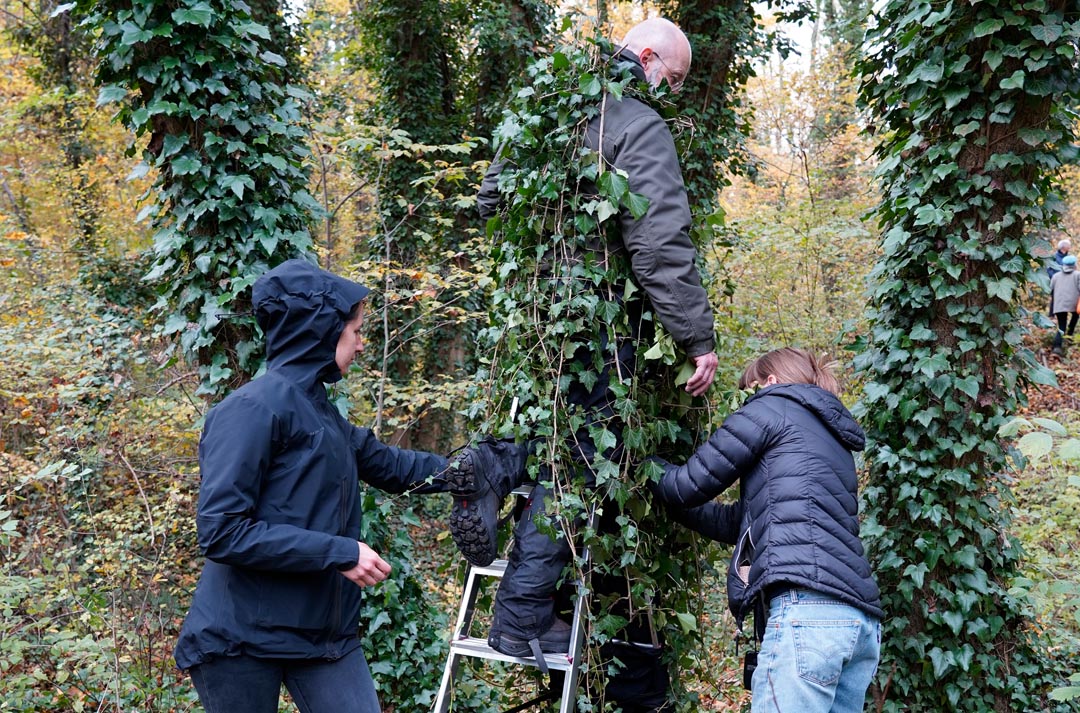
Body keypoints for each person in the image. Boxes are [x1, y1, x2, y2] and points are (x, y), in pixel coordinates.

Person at [448, 16, 719, 675]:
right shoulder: (637, 124)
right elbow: (657, 244)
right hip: (597, 326)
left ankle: (488, 467)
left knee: (548, 440)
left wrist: (545, 265)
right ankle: (519, 618)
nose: (672, 93)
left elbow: (490, 201)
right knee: (576, 464)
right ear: (647, 56)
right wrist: (696, 337)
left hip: (533, 318)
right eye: (672, 78)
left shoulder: (543, 108)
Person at [173, 259, 449, 713]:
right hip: (240, 638)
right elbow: (221, 531)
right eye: (356, 331)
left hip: (323, 637)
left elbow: (393, 465)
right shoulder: (251, 409)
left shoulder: (322, 412)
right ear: (322, 327)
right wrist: (340, 551)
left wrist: (474, 469)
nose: (361, 345)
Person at [648, 347, 882, 713]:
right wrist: (681, 514)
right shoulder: (830, 439)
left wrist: (642, 465)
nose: (745, 402)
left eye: (748, 391)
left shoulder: (771, 405)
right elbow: (741, 522)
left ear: (769, 382)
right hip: (858, 622)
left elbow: (687, 484)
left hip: (807, 613)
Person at [1050, 254, 1080, 355]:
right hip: (1074, 304)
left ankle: (1057, 346)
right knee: (1075, 317)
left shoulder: (1056, 276)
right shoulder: (1077, 275)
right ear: (1074, 264)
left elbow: (1051, 289)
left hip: (1059, 304)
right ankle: (1069, 336)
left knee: (1061, 325)